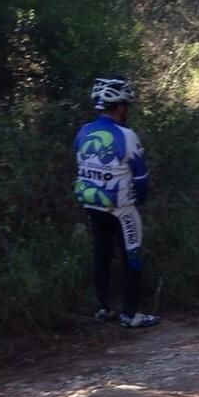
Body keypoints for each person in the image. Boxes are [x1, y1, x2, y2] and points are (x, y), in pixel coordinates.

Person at [73, 78, 161, 329]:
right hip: (121, 208)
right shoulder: (126, 135)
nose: (127, 111)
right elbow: (141, 176)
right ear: (120, 107)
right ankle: (130, 314)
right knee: (131, 255)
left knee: (101, 255)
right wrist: (140, 200)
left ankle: (105, 308)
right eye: (126, 106)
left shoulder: (83, 131)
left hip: (92, 204)